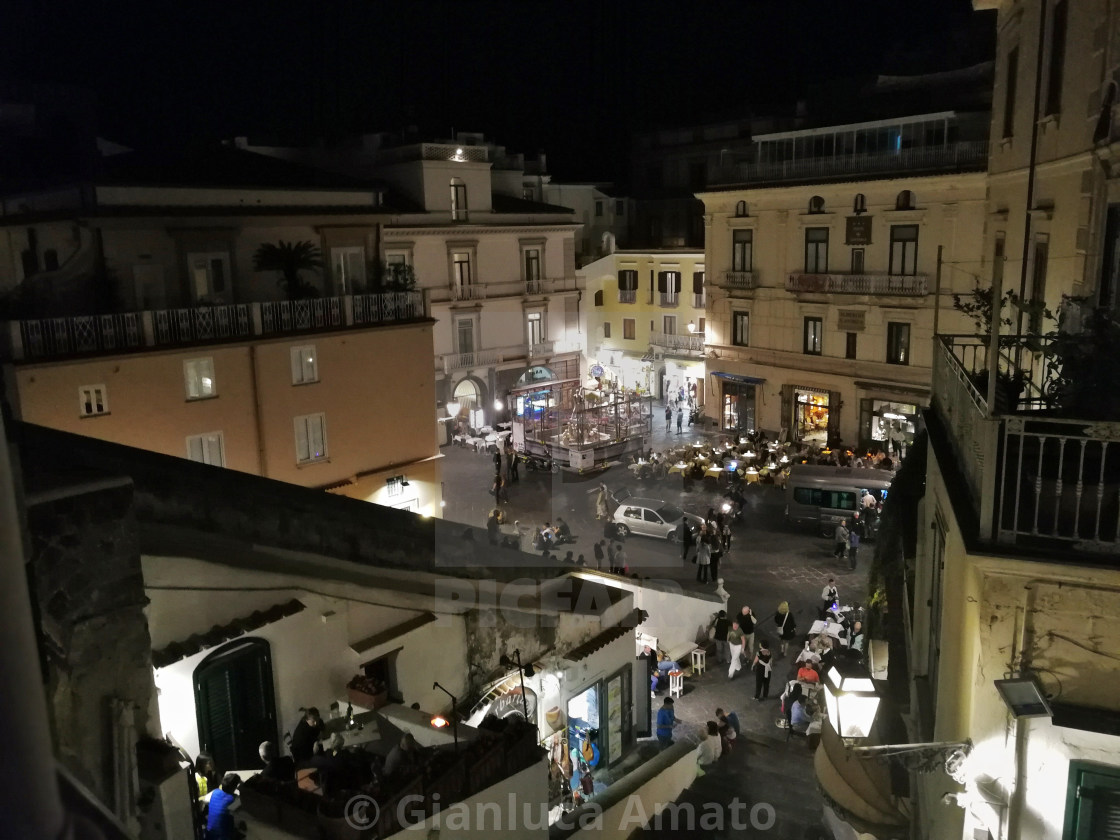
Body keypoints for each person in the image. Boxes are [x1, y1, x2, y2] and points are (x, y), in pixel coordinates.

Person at [205, 773, 242, 840]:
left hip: (209, 835)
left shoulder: (215, 792)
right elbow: (239, 821)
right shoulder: (235, 799)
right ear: (236, 786)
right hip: (223, 837)